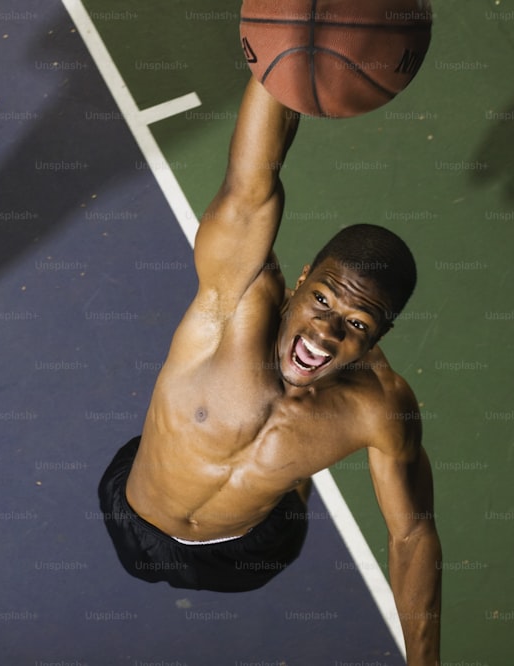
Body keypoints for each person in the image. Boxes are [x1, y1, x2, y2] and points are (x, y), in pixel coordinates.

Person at [98, 77, 441, 664]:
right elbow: (252, 184)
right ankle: (287, 466)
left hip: (248, 552)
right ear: (302, 277)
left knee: (280, 464)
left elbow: (411, 537)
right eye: (324, 300)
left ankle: (287, 470)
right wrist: (277, 67)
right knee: (239, 444)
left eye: (359, 324)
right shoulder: (237, 298)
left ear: (381, 337)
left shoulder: (380, 408)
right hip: (135, 514)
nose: (328, 331)